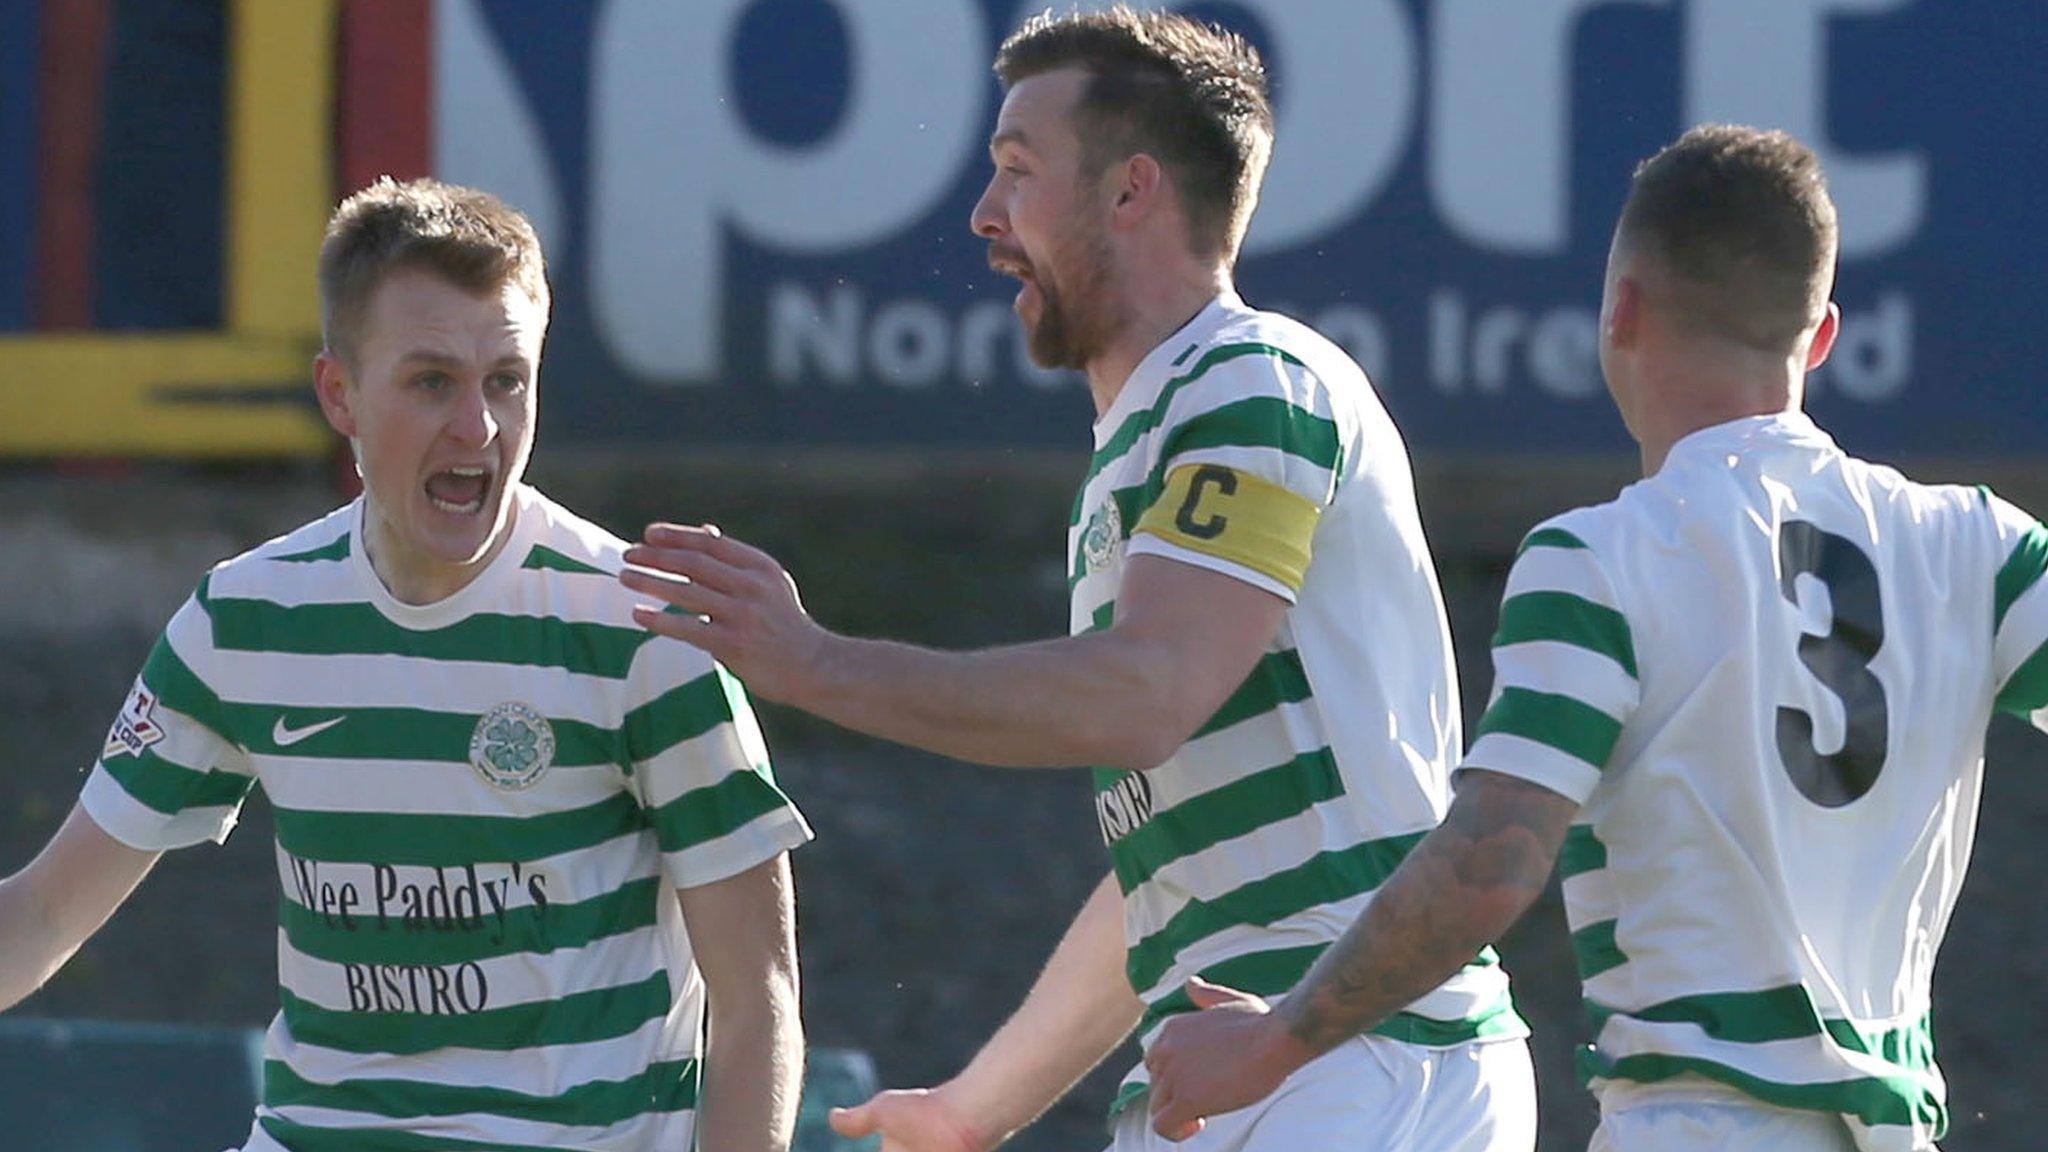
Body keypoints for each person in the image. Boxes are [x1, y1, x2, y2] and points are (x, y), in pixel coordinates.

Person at [619, 8, 1535, 1150]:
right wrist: (973, 1111)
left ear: (1129, 191)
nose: (983, 216)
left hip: (1358, 1066)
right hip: (1259, 1057)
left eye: (1015, 171)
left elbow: (1145, 695)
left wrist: (813, 662)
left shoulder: (1246, 379)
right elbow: (1168, 886)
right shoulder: (1145, 443)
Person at [1143, 123, 2047, 1152]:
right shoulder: (1983, 548)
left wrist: (1272, 1045)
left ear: (1618, 310)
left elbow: (1490, 860)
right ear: (1823, 335)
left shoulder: (1599, 558)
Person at [0, 178, 812, 1152]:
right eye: (432, 381)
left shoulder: (640, 630)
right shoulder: (247, 619)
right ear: (339, 395)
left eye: (506, 380)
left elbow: (759, 1007)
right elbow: (44, 912)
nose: (476, 428)